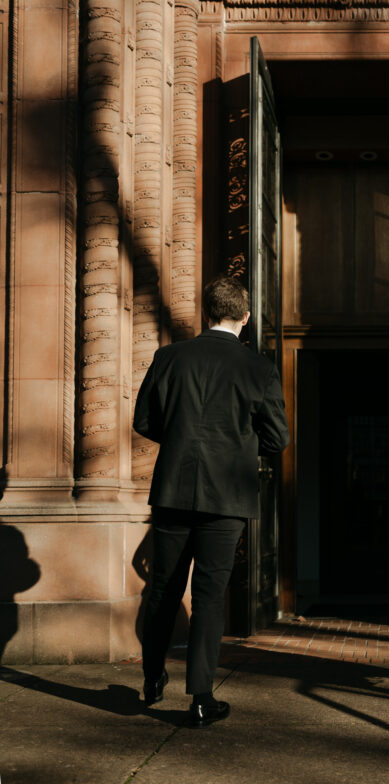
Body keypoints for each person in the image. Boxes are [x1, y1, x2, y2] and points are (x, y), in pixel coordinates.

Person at [133, 274, 290, 728]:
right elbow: (277, 438)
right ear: (244, 316)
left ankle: (151, 677)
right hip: (228, 497)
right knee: (208, 595)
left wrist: (181, 440)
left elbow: (144, 419)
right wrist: (239, 445)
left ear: (206, 313)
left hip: (173, 491)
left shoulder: (169, 357)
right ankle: (201, 698)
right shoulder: (257, 368)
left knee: (164, 588)